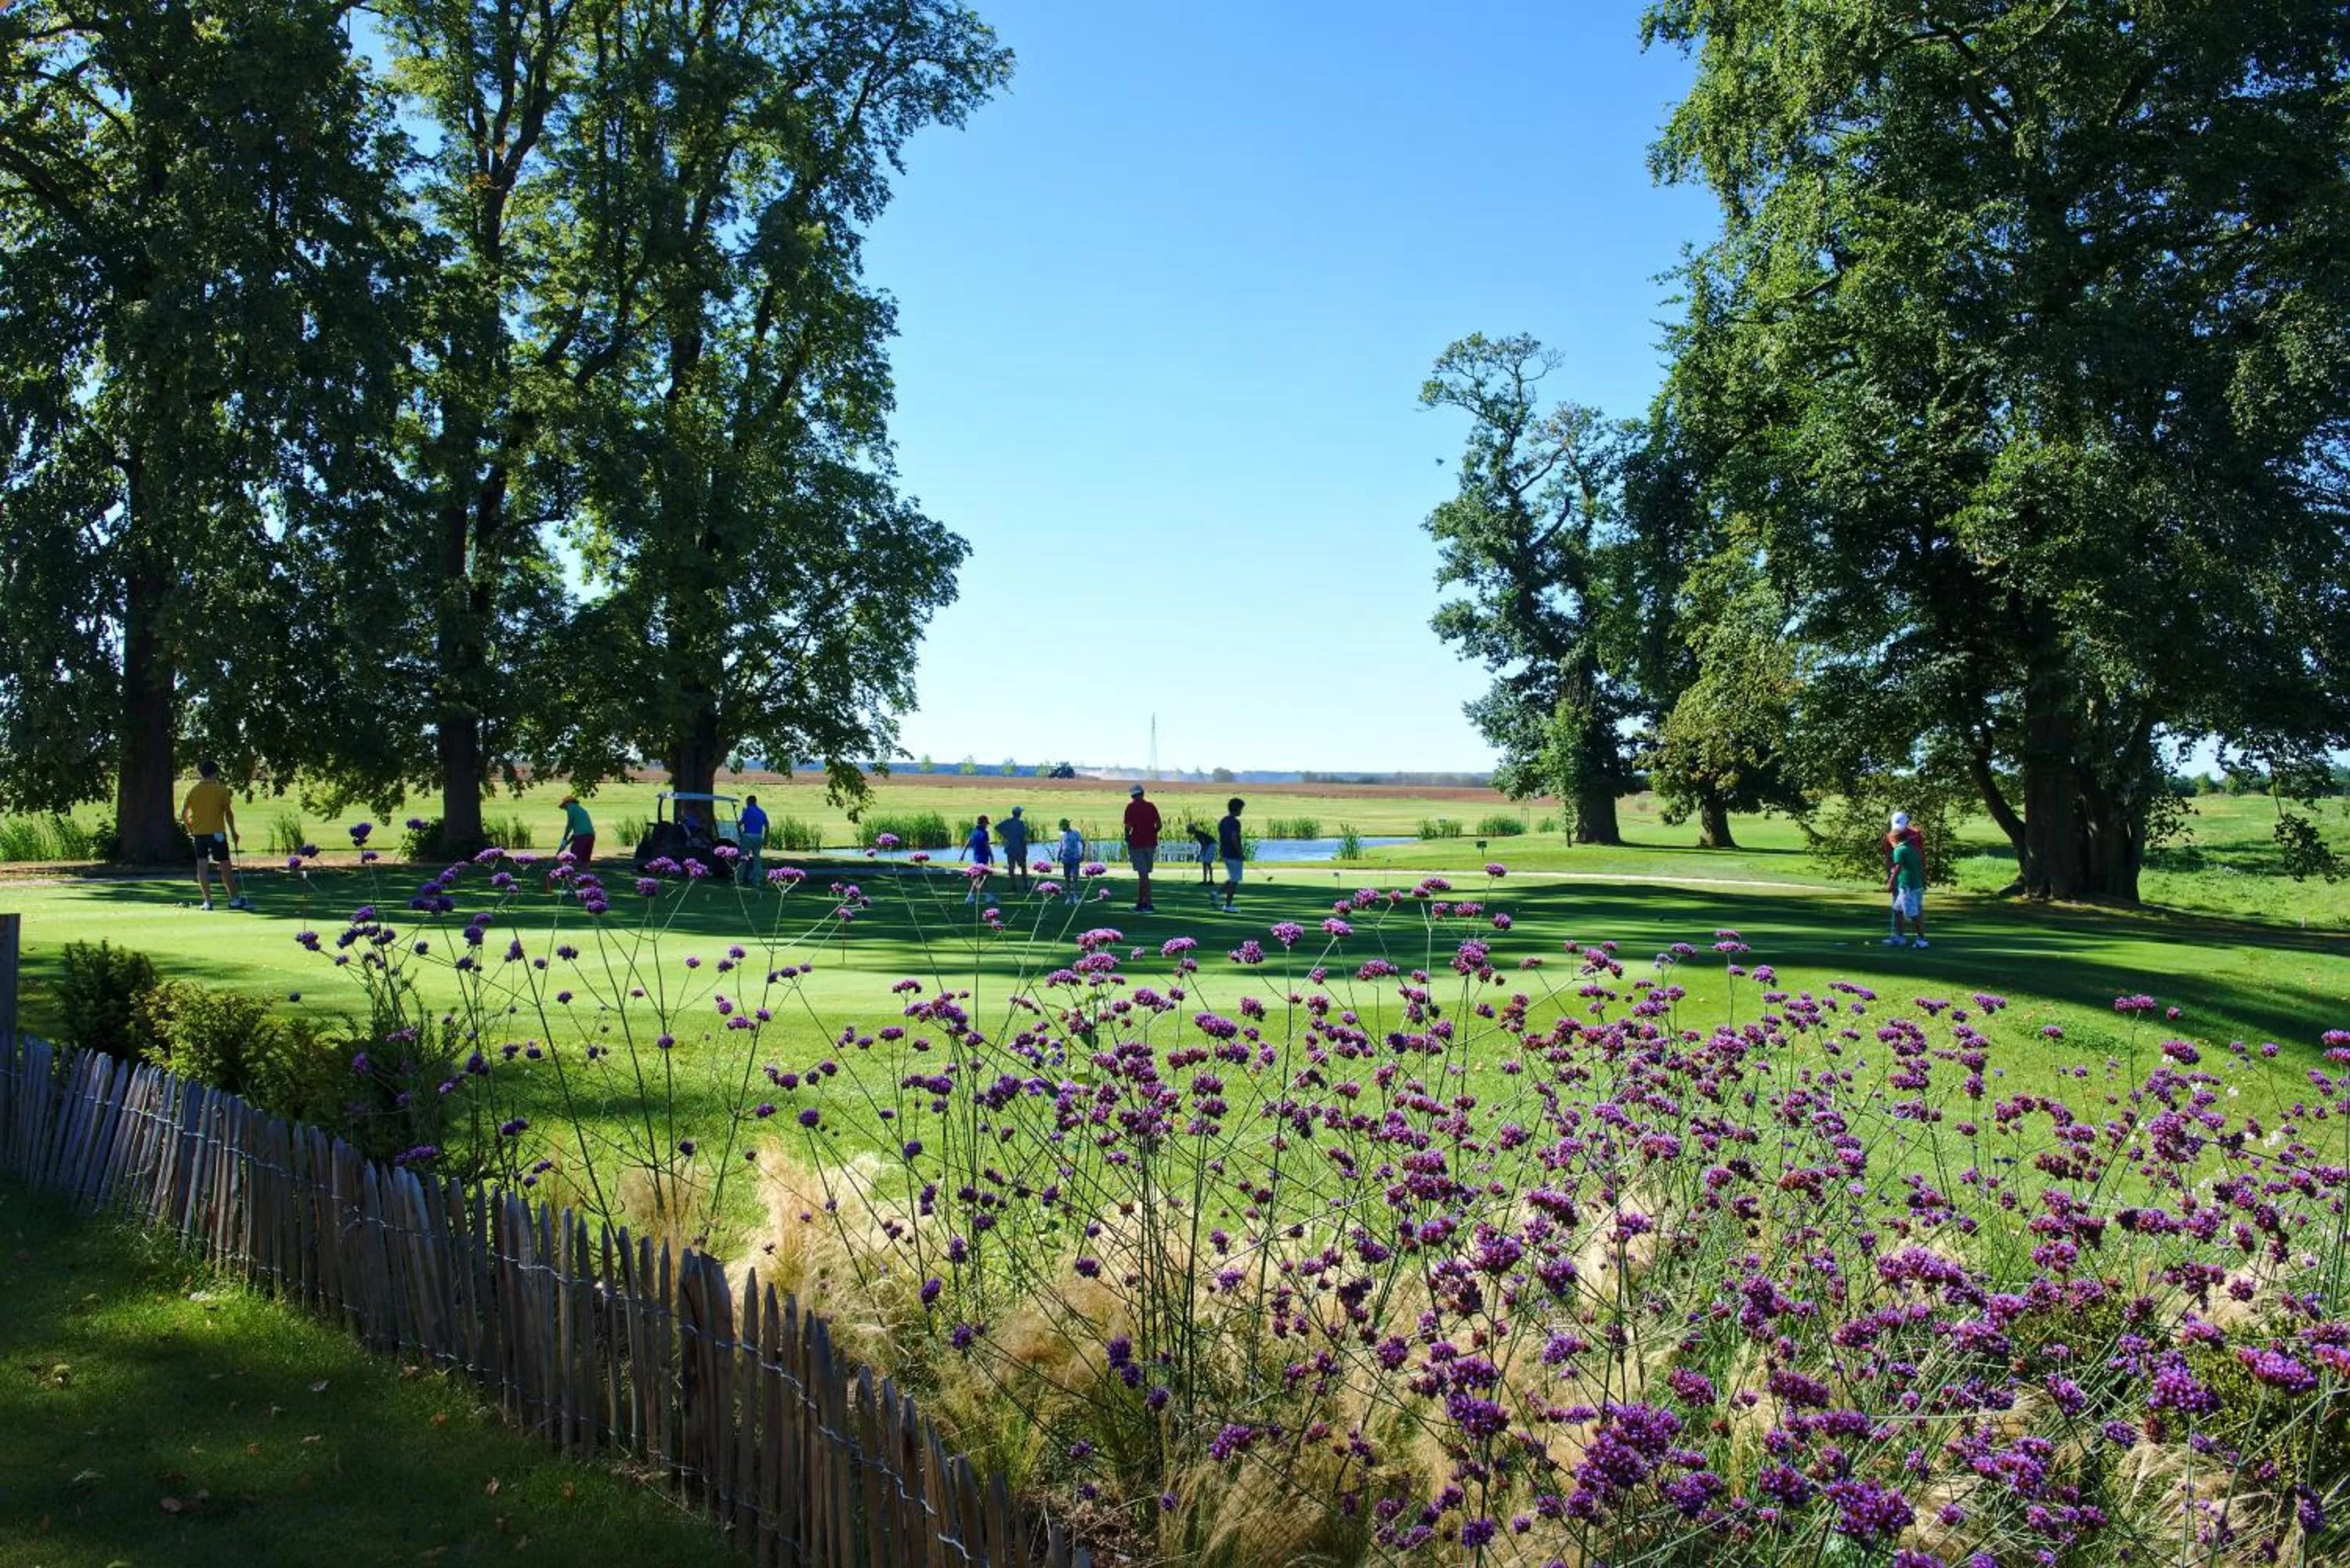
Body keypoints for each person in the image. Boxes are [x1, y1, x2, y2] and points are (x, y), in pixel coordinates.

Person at [179, 758, 249, 911]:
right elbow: (228, 813)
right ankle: (234, 899)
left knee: (202, 865)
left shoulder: (192, 790)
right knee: (225, 865)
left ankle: (208, 901)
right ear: (215, 773)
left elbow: (184, 813)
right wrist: (233, 832)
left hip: (199, 834)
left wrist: (190, 829)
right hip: (217, 833)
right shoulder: (221, 790)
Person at [1882, 810, 1925, 945]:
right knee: (1897, 909)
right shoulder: (1898, 840)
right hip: (1906, 881)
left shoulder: (1910, 840)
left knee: (1913, 912)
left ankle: (1921, 939)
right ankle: (1900, 937)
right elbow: (1891, 857)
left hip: (1908, 882)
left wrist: (1891, 881)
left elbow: (1898, 866)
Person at [1122, 785, 1162, 912]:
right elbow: (1159, 825)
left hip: (1137, 844)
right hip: (1150, 844)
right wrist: (1151, 833)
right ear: (1142, 793)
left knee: (1143, 876)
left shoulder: (1130, 807)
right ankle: (1141, 903)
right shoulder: (1151, 806)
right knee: (1144, 875)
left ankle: (1147, 904)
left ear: (1132, 795)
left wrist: (1127, 838)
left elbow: (1128, 827)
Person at [551, 793, 596, 891]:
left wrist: (564, 839)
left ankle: (572, 889)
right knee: (585, 864)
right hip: (590, 836)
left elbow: (569, 825)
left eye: (564, 807)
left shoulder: (571, 807)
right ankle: (588, 888)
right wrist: (566, 843)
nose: (565, 809)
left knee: (571, 864)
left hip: (581, 838)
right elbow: (577, 832)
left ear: (567, 803)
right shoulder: (581, 810)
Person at [1216, 797, 1246, 913]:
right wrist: (1240, 853)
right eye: (1241, 809)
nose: (1241, 811)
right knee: (1234, 881)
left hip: (1225, 853)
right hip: (1233, 854)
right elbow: (1234, 838)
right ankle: (1228, 905)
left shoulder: (1223, 821)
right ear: (1237, 809)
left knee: (1233, 878)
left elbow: (1222, 837)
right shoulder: (1235, 822)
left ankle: (1217, 894)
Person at [960, 812, 994, 904]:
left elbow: (968, 843)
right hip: (983, 858)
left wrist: (963, 855)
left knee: (981, 878)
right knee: (980, 878)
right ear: (983, 823)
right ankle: (973, 896)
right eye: (986, 824)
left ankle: (987, 896)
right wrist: (992, 857)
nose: (987, 826)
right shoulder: (985, 833)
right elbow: (987, 846)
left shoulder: (973, 832)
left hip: (976, 858)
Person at [998, 805, 1031, 895]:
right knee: (1023, 867)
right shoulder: (1021, 823)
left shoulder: (1008, 822)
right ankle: (1026, 885)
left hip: (1010, 848)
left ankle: (1013, 886)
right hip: (1020, 849)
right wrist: (1025, 849)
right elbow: (1023, 838)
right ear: (1019, 814)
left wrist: (1006, 836)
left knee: (1011, 868)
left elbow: (998, 827)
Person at [738, 793, 768, 883]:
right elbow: (767, 826)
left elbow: (739, 824)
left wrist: (740, 835)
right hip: (758, 836)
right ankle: (756, 880)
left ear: (749, 801)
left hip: (748, 836)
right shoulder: (762, 812)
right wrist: (766, 838)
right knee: (757, 859)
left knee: (743, 857)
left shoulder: (746, 811)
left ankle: (740, 878)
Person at [1056, 817, 1085, 904]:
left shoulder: (1076, 833)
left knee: (1075, 878)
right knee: (1067, 878)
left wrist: (1082, 855)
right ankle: (1068, 897)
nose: (1062, 829)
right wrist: (1058, 856)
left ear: (1067, 826)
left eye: (1063, 827)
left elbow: (1083, 843)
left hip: (1075, 858)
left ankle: (1076, 897)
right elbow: (1061, 847)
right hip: (1065, 859)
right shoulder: (1062, 835)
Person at [1186, 822, 1217, 887]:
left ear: (1192, 830)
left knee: (1205, 863)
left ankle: (1206, 881)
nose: (1189, 832)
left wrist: (1201, 855)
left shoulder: (1198, 834)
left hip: (1210, 845)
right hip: (1211, 844)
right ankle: (1209, 880)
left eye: (1189, 830)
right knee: (1208, 863)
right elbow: (1204, 845)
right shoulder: (1198, 833)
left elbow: (1204, 844)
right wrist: (1201, 855)